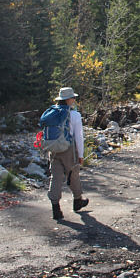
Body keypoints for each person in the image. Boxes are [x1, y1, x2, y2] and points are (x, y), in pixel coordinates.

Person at [48, 87, 89, 220]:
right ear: (68, 100)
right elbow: (79, 136)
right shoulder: (74, 115)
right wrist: (81, 155)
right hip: (68, 149)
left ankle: (56, 208)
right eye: (73, 97)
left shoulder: (51, 112)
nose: (74, 99)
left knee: (55, 177)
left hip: (53, 148)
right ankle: (77, 200)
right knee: (73, 175)